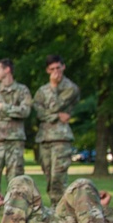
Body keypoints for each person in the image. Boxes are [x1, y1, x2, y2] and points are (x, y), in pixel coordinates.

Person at [33, 54, 80, 204]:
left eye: (58, 68)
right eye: (52, 69)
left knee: (58, 178)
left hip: (61, 137)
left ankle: (60, 210)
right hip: (45, 137)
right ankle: (56, 206)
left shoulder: (70, 88)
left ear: (63, 67)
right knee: (49, 176)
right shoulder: (41, 91)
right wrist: (57, 115)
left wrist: (53, 86)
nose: (56, 72)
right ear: (47, 70)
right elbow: (38, 113)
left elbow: (54, 105)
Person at [0, 59, 32, 196]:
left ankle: (15, 207)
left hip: (15, 139)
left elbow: (25, 111)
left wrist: (4, 107)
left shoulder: (22, 90)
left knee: (16, 176)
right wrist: (14, 112)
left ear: (7, 70)